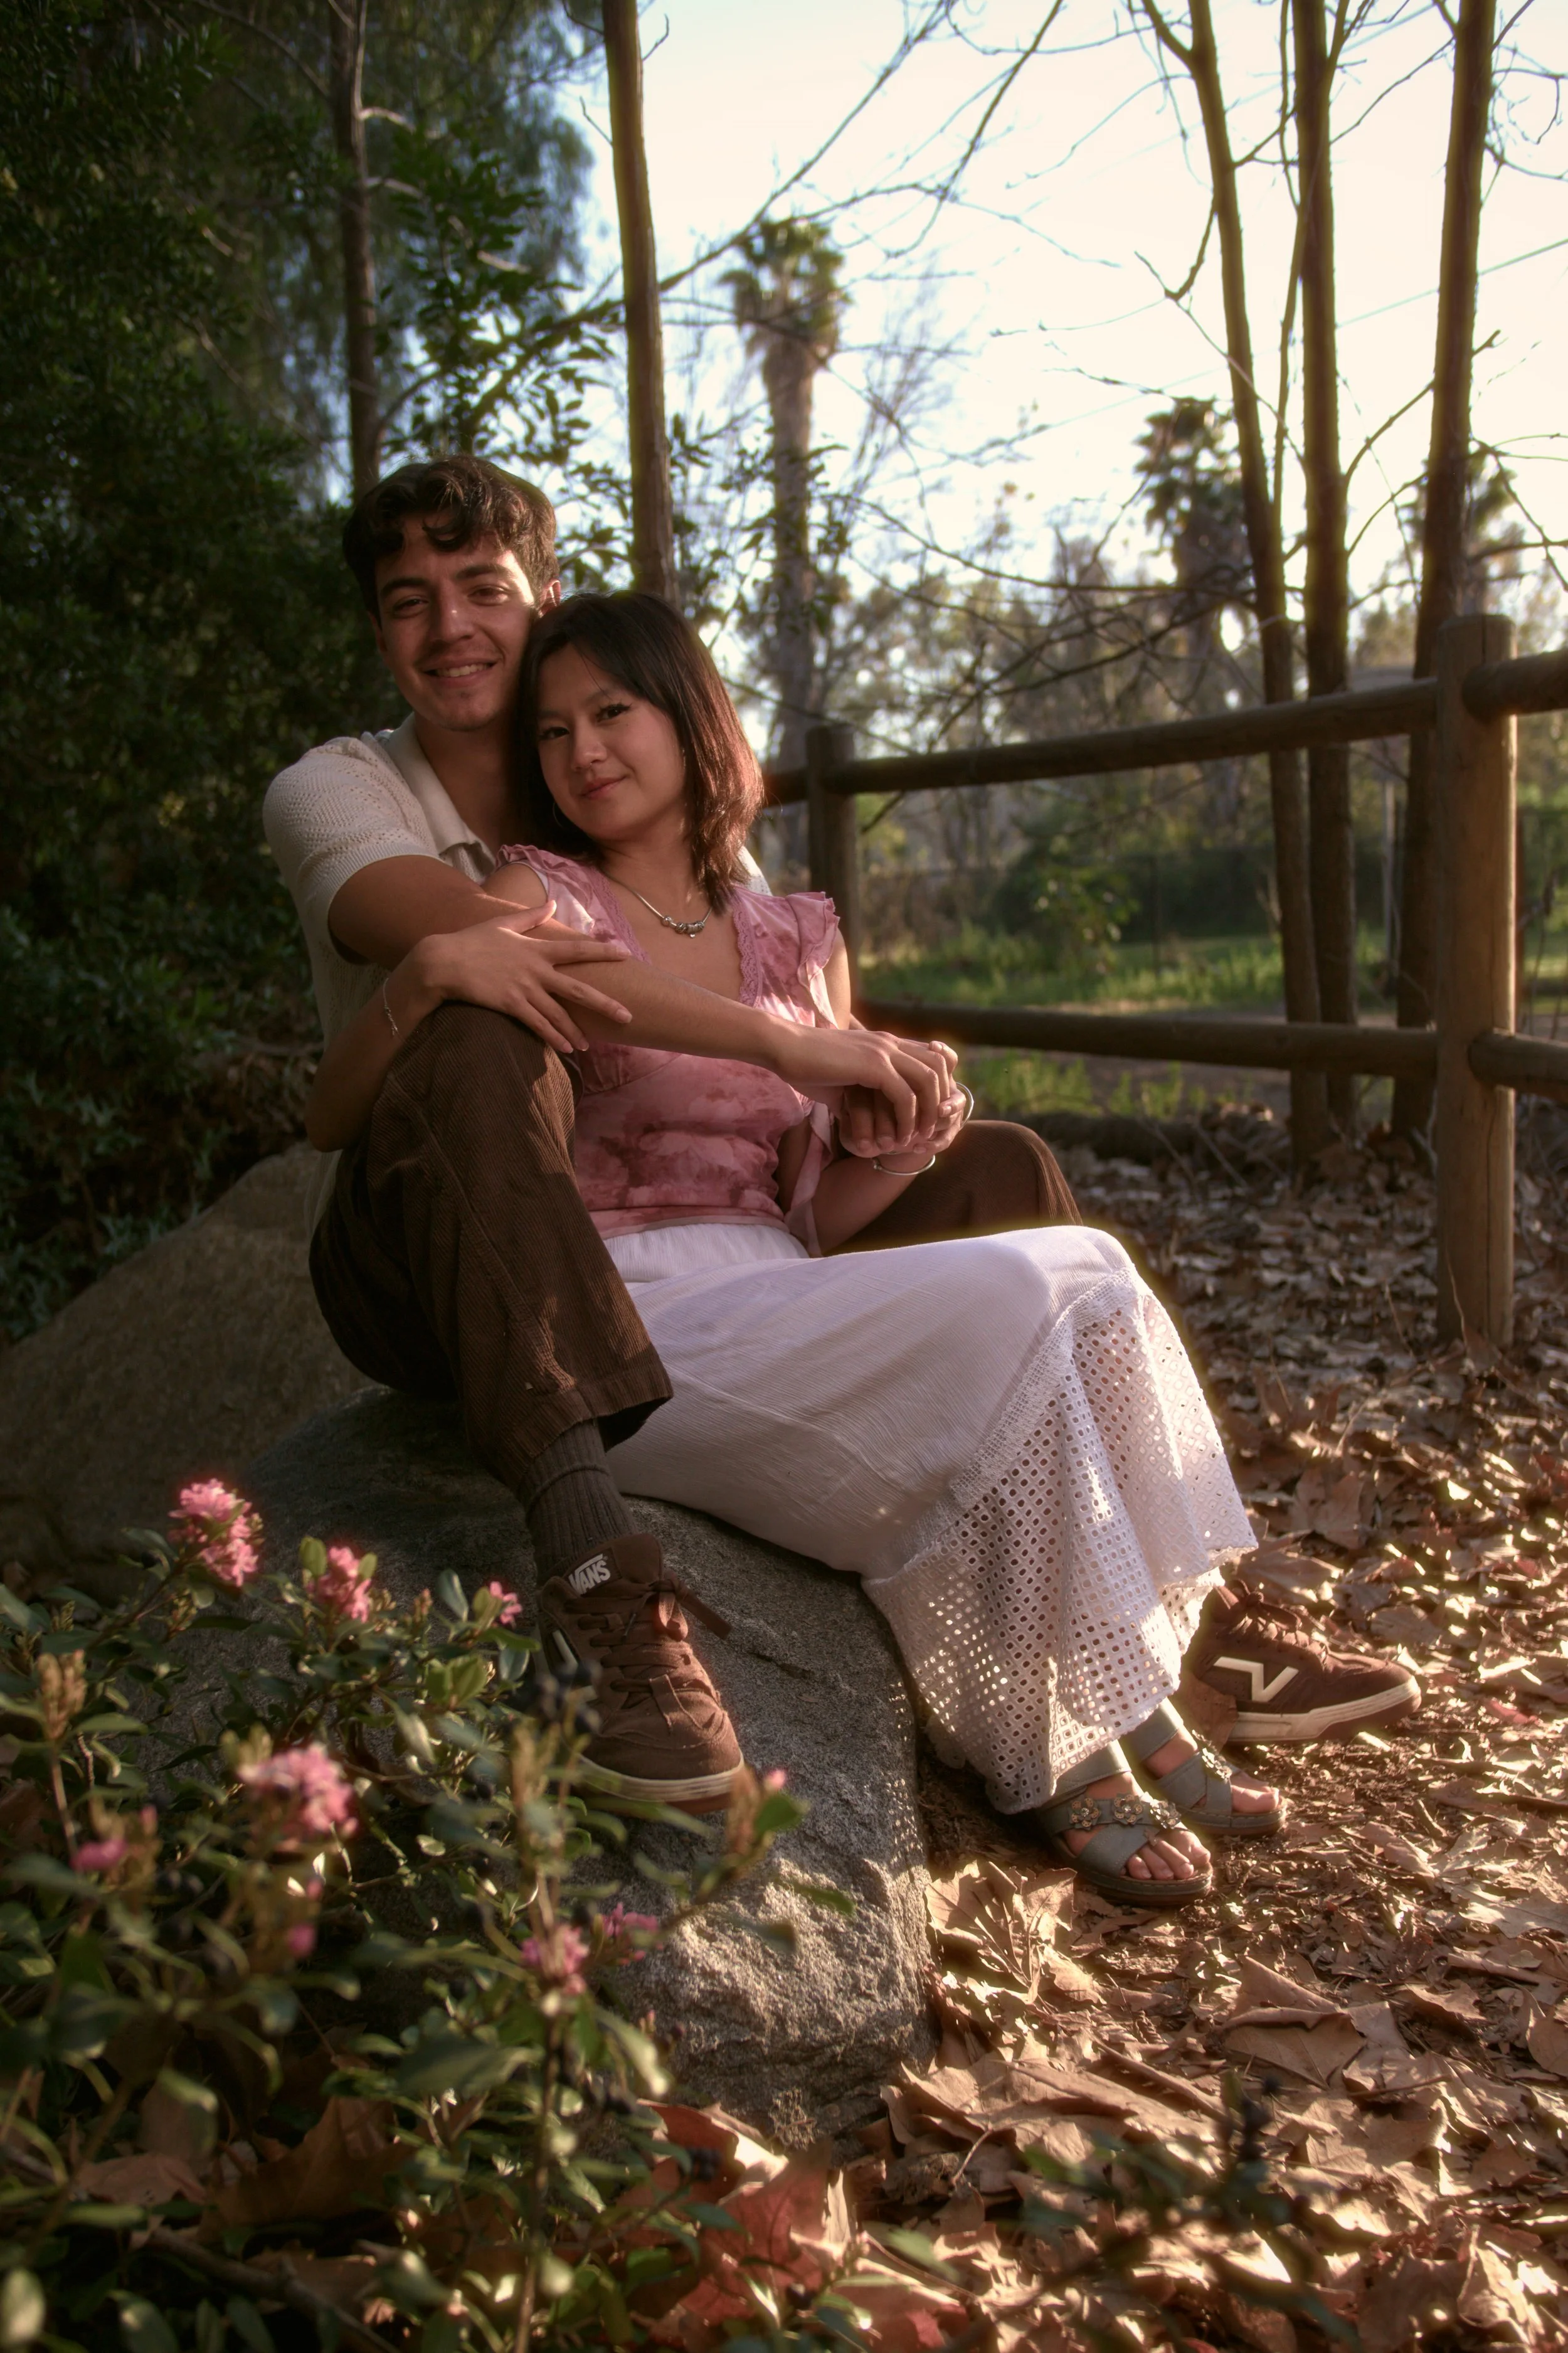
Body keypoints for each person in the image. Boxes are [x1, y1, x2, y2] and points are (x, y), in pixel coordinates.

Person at [267, 462, 1418, 1894]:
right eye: (410, 604)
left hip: (766, 1279)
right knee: (1028, 1300)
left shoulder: (780, 918)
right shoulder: (425, 834)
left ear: (673, 703)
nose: (576, 743)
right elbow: (477, 1001)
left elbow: (806, 1207)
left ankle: (1138, 1671)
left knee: (1056, 1245)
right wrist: (801, 1049)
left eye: (608, 708)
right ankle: (1008, 1712)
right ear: (380, 635)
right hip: (514, 1256)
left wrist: (890, 1130)